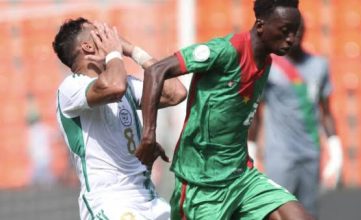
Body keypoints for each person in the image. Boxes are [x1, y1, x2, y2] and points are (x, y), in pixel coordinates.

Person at [136, 0, 314, 219]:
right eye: (285, 31)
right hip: (200, 184)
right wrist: (148, 134)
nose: (291, 40)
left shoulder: (266, 61)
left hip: (241, 177)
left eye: (294, 33)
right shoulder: (224, 51)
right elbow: (156, 71)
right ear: (260, 25)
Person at [53, 18, 187, 220]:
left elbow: (175, 93)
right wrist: (114, 52)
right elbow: (115, 87)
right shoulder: (70, 88)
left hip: (147, 197)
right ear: (88, 46)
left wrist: (133, 50)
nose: (111, 33)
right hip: (110, 202)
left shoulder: (124, 82)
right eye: (100, 31)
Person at [248, 20, 343, 218]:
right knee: (278, 211)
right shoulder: (270, 66)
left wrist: (335, 151)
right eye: (290, 30)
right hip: (280, 155)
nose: (296, 34)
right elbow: (257, 111)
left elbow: (326, 111)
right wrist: (251, 150)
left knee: (308, 211)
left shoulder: (319, 65)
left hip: (310, 152)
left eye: (300, 29)